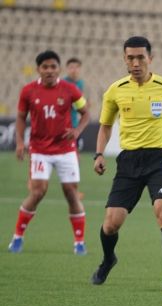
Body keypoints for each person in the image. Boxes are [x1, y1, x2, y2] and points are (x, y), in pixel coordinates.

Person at [91, 36, 162, 291]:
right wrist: (99, 154)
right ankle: (108, 259)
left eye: (140, 58)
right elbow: (105, 126)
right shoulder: (115, 90)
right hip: (129, 162)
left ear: (150, 59)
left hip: (160, 159)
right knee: (111, 223)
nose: (135, 63)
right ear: (125, 59)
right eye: (130, 58)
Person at [8, 50, 90, 255]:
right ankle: (17, 238)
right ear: (38, 70)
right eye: (45, 67)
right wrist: (20, 142)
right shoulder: (28, 91)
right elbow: (20, 117)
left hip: (65, 150)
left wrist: (77, 131)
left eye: (53, 67)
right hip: (40, 150)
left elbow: (86, 113)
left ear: (58, 69)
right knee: (37, 192)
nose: (50, 70)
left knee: (71, 193)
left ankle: (79, 242)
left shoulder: (70, 89)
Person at [63, 57, 86, 199]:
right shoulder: (63, 83)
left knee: (75, 158)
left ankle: (73, 189)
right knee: (72, 158)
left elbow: (78, 104)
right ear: (67, 68)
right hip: (64, 126)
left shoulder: (80, 83)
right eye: (71, 67)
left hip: (75, 126)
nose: (74, 70)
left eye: (76, 67)